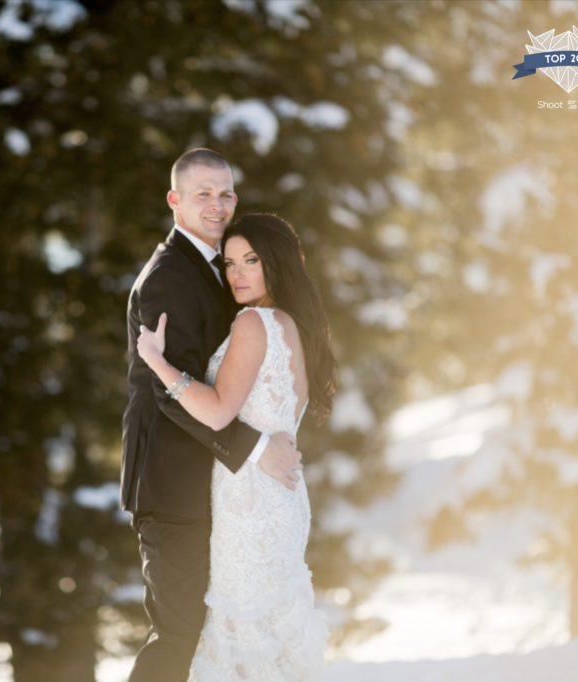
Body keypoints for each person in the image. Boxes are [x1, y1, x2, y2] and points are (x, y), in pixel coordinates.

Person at [121, 149, 303, 682]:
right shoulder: (168, 277)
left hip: (217, 486)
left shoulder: (220, 268)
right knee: (179, 633)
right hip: (172, 483)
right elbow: (168, 395)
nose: (217, 205)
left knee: (213, 637)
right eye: (203, 193)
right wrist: (256, 448)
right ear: (175, 200)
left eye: (225, 193)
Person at [136, 212, 336, 681]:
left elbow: (220, 410)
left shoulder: (253, 322)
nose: (238, 273)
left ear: (277, 263)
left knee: (243, 646)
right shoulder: (296, 325)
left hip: (250, 505)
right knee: (272, 641)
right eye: (229, 263)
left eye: (251, 260)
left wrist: (158, 363)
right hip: (280, 499)